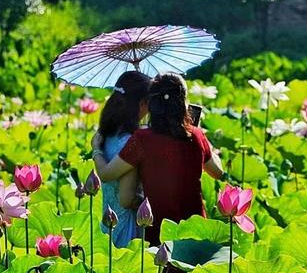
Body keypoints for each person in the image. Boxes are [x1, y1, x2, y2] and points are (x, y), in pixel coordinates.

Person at [91, 72, 223, 246]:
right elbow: (218, 172)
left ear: (152, 104)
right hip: (196, 229)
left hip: (158, 232)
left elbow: (108, 175)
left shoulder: (141, 139)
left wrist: (96, 150)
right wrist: (205, 143)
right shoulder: (196, 135)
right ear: (183, 103)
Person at [96, 71, 152, 247]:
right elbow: (126, 199)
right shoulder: (130, 142)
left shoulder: (106, 134)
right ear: (142, 103)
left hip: (107, 226)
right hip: (128, 228)